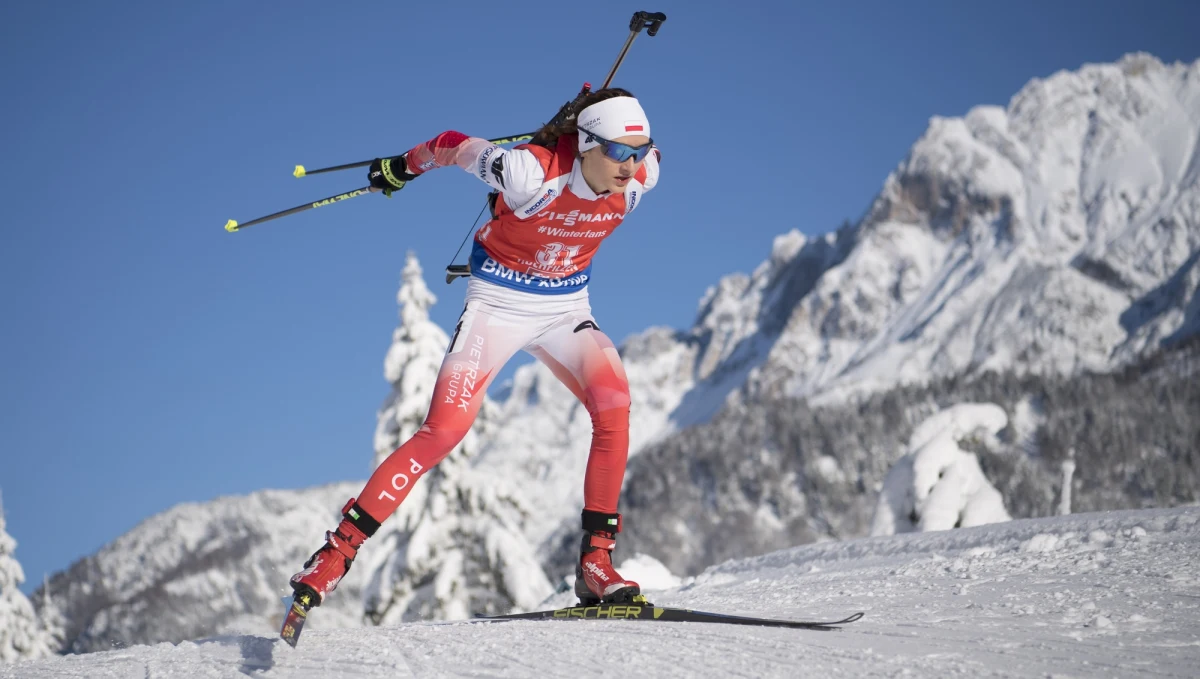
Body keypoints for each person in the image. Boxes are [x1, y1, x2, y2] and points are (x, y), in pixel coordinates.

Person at [290, 88, 661, 610]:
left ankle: (595, 563)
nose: (630, 165)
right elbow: (451, 143)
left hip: (565, 311)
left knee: (614, 407)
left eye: (639, 152)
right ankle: (335, 554)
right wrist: (403, 166)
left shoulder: (643, 177)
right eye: (619, 151)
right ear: (585, 144)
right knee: (443, 431)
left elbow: (643, 151)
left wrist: (592, 106)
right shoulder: (528, 173)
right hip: (498, 307)